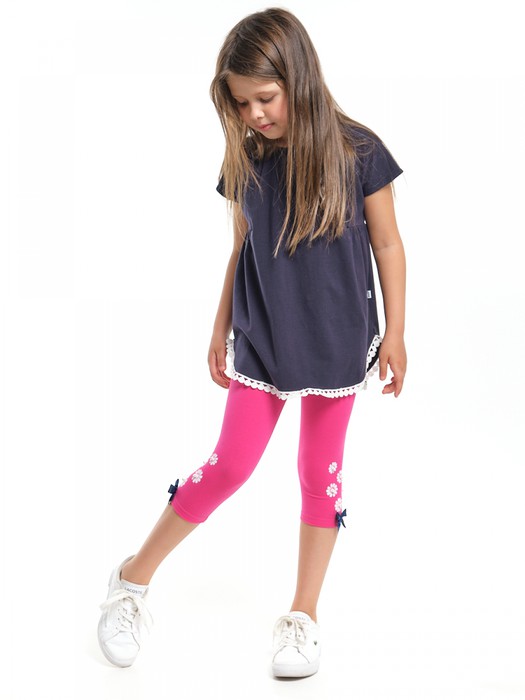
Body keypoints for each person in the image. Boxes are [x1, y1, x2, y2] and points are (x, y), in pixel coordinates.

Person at [97, 7, 407, 678]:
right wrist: (219, 325)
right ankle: (131, 579)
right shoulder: (248, 158)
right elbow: (241, 247)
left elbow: (387, 243)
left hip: (338, 339)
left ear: (298, 78)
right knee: (230, 465)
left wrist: (397, 334)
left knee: (319, 477)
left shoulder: (359, 151)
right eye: (240, 104)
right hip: (263, 336)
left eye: (263, 98)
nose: (253, 114)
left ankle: (302, 616)